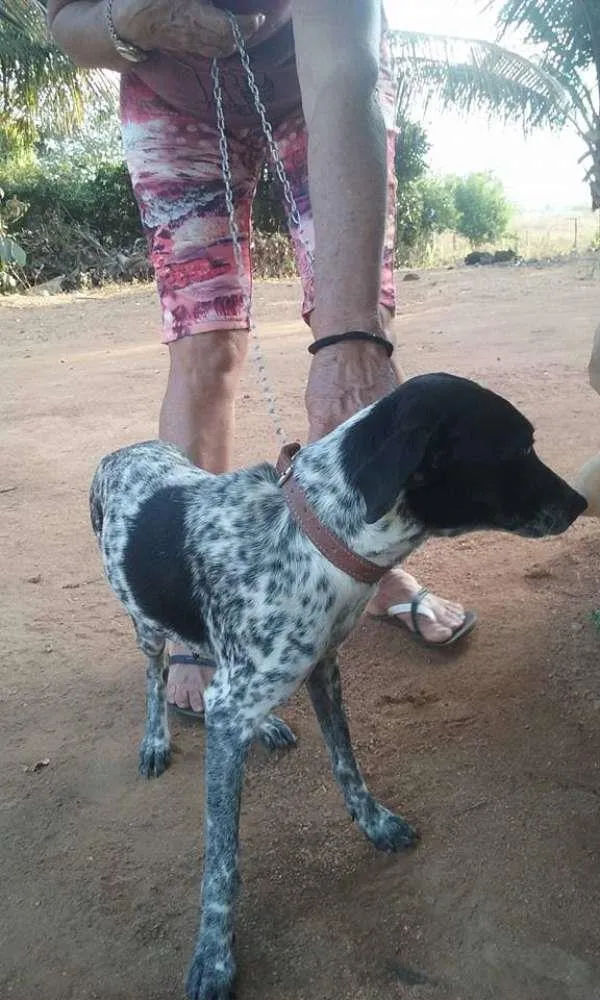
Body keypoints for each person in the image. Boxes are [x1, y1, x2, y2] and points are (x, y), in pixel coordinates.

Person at [48, 0, 476, 719]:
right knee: (203, 348)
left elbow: (345, 74)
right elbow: (68, 24)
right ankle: (189, 611)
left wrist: (348, 339)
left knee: (362, 330)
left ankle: (371, 571)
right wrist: (130, 21)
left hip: (318, 90)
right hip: (169, 98)